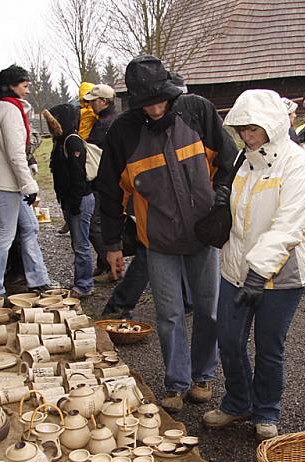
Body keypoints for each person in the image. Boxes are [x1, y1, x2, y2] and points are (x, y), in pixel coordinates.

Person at [96, 55, 237, 413]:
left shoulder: (197, 112)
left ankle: (203, 376)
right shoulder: (123, 133)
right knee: (169, 314)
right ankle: (176, 383)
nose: (157, 108)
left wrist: (221, 198)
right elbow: (110, 193)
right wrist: (113, 245)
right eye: (148, 102)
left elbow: (231, 162)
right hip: (157, 240)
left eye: (161, 99)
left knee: (208, 310)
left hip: (203, 235)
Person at [201, 89, 305, 441]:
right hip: (237, 269)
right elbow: (242, 217)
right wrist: (225, 200)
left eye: (254, 129)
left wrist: (259, 271)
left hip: (281, 275)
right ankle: (238, 401)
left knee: (269, 347)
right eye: (242, 129)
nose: (248, 136)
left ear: (274, 125)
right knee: (229, 340)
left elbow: (288, 226)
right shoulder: (243, 160)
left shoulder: (298, 165)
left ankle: (266, 411)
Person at [0, 64, 54, 296]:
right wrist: (29, 185)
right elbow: (15, 154)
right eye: (25, 85)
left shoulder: (0, 108)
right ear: (12, 86)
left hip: (5, 180)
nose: (28, 90)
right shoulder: (9, 110)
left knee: (30, 226)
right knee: (6, 234)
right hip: (5, 182)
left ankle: (38, 278)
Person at [44, 105, 94, 298]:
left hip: (79, 200)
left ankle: (84, 285)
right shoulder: (60, 141)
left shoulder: (72, 142)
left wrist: (73, 204)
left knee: (81, 245)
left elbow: (77, 177)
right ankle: (81, 281)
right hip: (71, 200)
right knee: (78, 243)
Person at [84, 84, 118, 284]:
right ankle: (104, 263)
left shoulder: (104, 124)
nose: (90, 105)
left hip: (102, 181)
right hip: (110, 180)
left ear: (104, 101)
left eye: (93, 101)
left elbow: (94, 152)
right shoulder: (112, 119)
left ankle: (111, 267)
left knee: (95, 224)